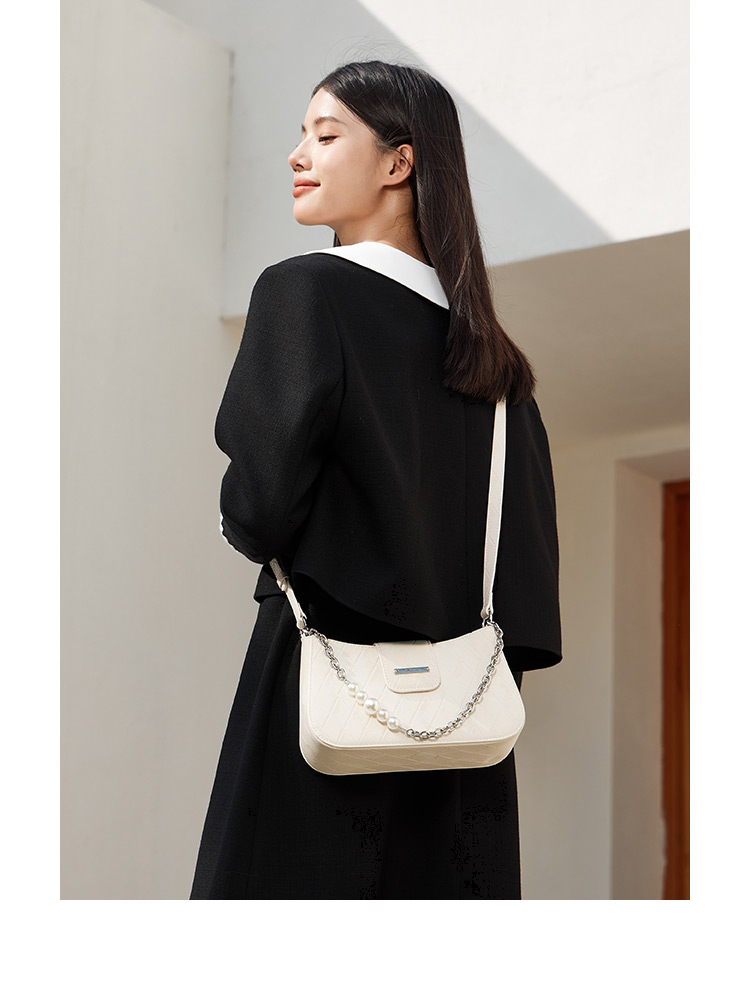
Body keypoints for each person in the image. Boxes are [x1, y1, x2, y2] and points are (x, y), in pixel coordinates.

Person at [189, 60, 562, 900]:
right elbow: (530, 608)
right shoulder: (502, 375)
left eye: (325, 135)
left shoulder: (304, 292)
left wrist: (246, 518)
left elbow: (258, 506)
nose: (298, 155)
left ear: (400, 162)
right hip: (463, 755)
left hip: (322, 718)